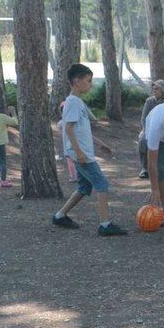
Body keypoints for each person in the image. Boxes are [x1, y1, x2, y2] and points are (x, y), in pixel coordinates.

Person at [52, 64, 128, 236]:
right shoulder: (72, 102)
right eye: (88, 80)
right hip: (82, 155)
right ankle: (105, 225)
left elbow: (81, 129)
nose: (90, 84)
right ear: (76, 81)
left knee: (84, 187)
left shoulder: (78, 102)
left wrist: (99, 143)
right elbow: (69, 128)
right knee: (102, 184)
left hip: (83, 152)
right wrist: (79, 153)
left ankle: (60, 215)